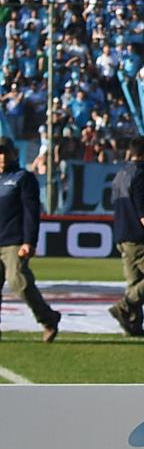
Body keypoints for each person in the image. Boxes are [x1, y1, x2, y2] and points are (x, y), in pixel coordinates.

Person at [0, 136, 61, 342]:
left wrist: (30, 241)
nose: (1, 157)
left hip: (14, 240)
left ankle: (48, 319)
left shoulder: (22, 178)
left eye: (4, 152)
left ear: (12, 154)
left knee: (19, 282)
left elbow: (31, 212)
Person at [109, 136, 144, 337]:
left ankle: (133, 325)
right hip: (136, 233)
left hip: (121, 233)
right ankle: (124, 307)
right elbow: (143, 209)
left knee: (134, 280)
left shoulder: (120, 174)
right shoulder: (140, 175)